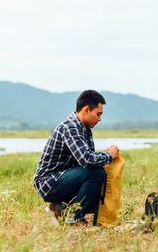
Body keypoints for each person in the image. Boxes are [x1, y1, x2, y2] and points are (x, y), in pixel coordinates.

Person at [33, 90, 119, 226]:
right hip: (48, 183)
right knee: (96, 173)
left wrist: (104, 156)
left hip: (63, 178)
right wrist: (108, 155)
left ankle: (58, 208)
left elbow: (87, 158)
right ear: (86, 110)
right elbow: (86, 159)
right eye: (98, 114)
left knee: (100, 193)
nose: (100, 119)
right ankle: (73, 219)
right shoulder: (70, 128)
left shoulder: (84, 129)